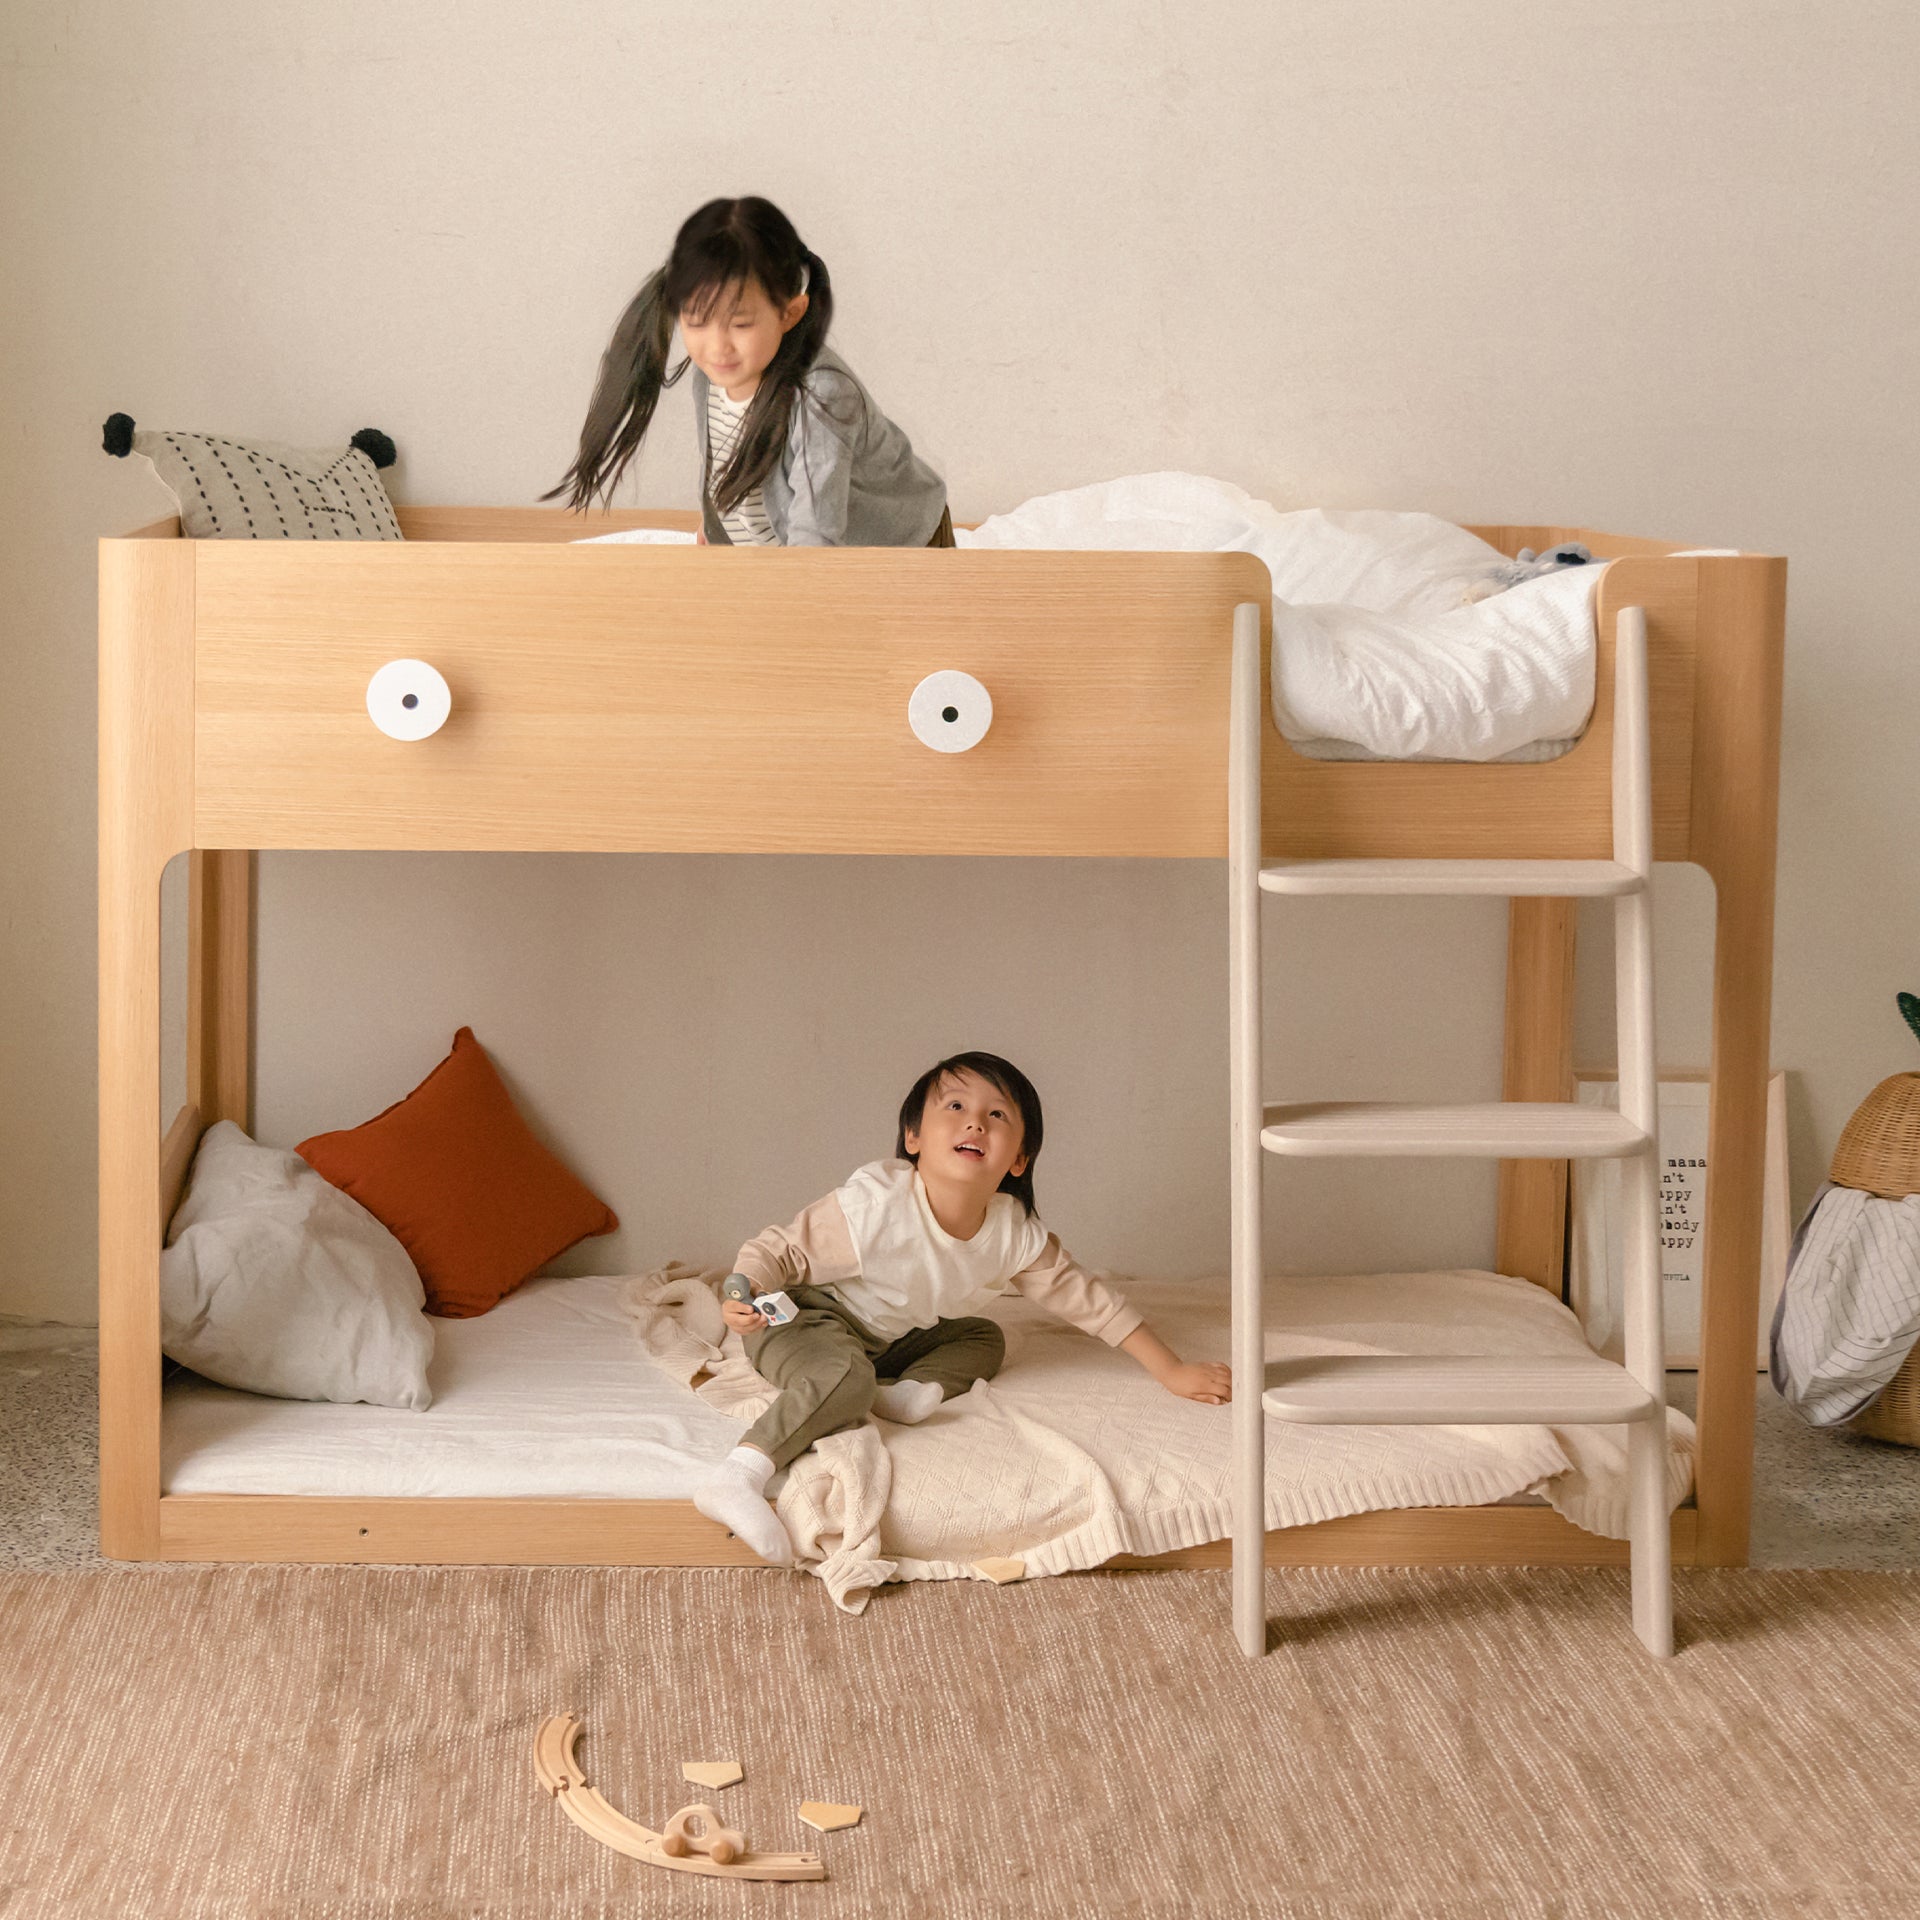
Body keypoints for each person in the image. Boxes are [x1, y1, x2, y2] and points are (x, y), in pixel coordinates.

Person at [693, 1052, 1233, 1565]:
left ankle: (894, 1393)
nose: (975, 1123)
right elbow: (778, 1250)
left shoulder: (1013, 1234)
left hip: (883, 1339)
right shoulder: (878, 1204)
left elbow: (1093, 1303)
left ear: (1019, 1159)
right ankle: (739, 1475)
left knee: (982, 1336)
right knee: (842, 1372)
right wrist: (743, 1292)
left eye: (997, 1115)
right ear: (913, 1137)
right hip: (803, 1318)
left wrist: (1172, 1370)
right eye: (955, 1106)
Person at [546, 195, 952, 548]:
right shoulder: (711, 376)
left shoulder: (822, 395)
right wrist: (717, 529)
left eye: (740, 324)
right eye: (697, 322)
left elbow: (816, 534)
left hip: (898, 548)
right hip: (789, 553)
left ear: (789, 314)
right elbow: (724, 464)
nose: (717, 346)